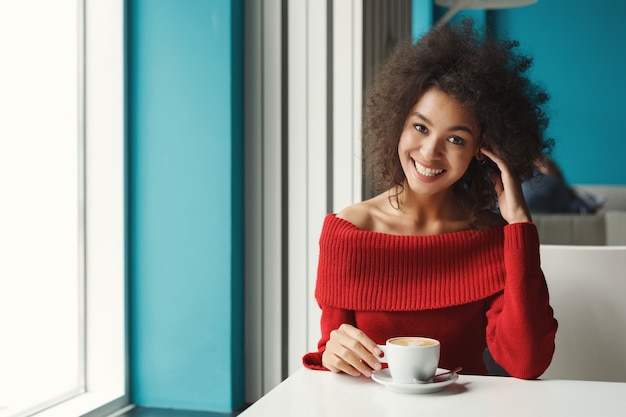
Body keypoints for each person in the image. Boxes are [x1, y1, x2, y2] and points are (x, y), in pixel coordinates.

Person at [302, 19, 558, 380]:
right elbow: (334, 349)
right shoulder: (348, 233)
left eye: (456, 139)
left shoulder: (493, 238)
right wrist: (334, 351)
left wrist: (519, 224)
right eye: (420, 127)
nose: (429, 152)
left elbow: (527, 362)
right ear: (397, 124)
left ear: (481, 152)